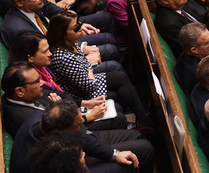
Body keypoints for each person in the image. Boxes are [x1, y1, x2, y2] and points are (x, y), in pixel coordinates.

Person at [46, 10, 154, 128]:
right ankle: (138, 121)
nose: (81, 28)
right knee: (116, 94)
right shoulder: (63, 57)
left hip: (85, 80)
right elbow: (89, 87)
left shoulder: (71, 42)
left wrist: (88, 70)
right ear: (62, 34)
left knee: (121, 77)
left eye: (79, 24)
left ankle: (143, 118)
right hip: (78, 93)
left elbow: (85, 64)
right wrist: (89, 71)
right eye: (75, 28)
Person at [10, 100, 152, 173]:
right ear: (62, 133)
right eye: (78, 125)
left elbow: (80, 136)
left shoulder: (42, 117)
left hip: (77, 157)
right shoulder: (41, 159)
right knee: (129, 164)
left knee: (137, 136)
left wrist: (115, 154)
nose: (82, 125)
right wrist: (81, 162)